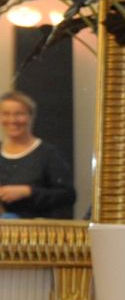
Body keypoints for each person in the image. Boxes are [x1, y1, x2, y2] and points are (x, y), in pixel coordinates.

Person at [0, 90, 76, 219]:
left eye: (19, 114)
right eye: (5, 114)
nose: (12, 120)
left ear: (31, 117)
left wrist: (28, 192)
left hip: (39, 234)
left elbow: (68, 195)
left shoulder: (49, 154)